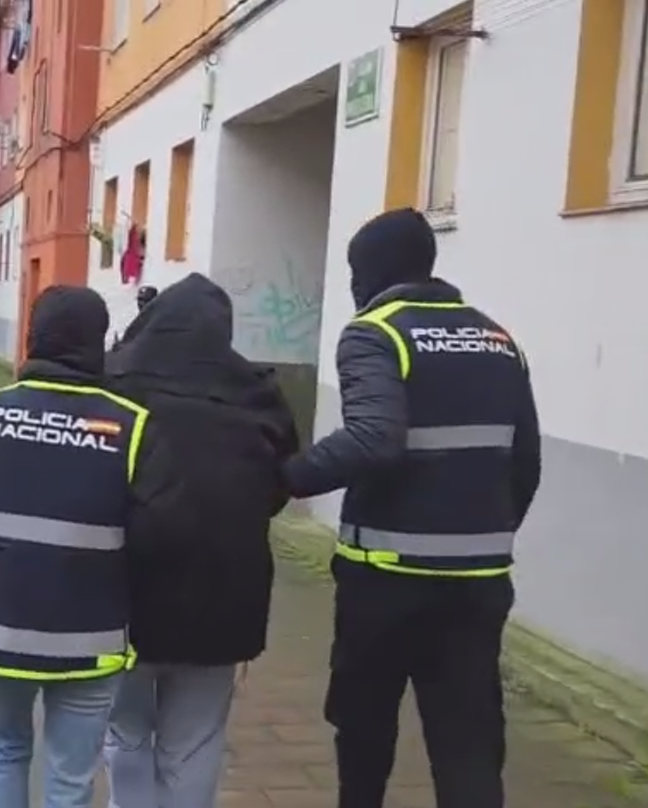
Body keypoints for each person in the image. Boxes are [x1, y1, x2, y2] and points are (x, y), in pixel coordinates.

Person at [280, 208, 541, 808]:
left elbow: (374, 437)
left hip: (386, 578)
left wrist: (286, 478)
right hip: (477, 581)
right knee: (468, 738)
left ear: (370, 272)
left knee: (364, 723)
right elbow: (526, 462)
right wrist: (486, 533)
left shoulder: (375, 332)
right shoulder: (498, 339)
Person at [0, 285, 153, 808]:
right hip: (88, 635)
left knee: (4, 752)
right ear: (97, 342)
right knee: (70, 778)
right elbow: (150, 526)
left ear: (33, 337)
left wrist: (6, 544)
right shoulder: (131, 425)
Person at [102, 273, 299, 808]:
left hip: (126, 590)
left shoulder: (113, 383)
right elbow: (278, 485)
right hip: (225, 594)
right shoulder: (258, 394)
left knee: (126, 731)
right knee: (195, 740)